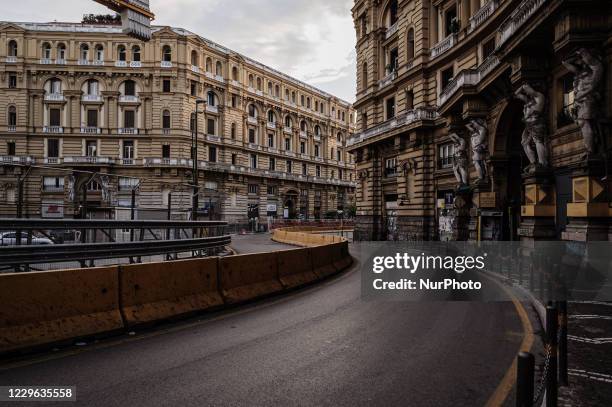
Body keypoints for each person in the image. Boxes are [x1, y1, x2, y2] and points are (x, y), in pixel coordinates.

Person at [515, 83, 548, 171]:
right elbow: (516, 94)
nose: (526, 93)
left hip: (536, 123)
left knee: (538, 141)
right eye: (525, 92)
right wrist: (522, 87)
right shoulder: (528, 100)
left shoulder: (539, 96)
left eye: (527, 90)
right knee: (524, 142)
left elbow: (537, 110)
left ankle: (542, 163)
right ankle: (533, 162)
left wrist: (525, 87)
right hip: (528, 125)